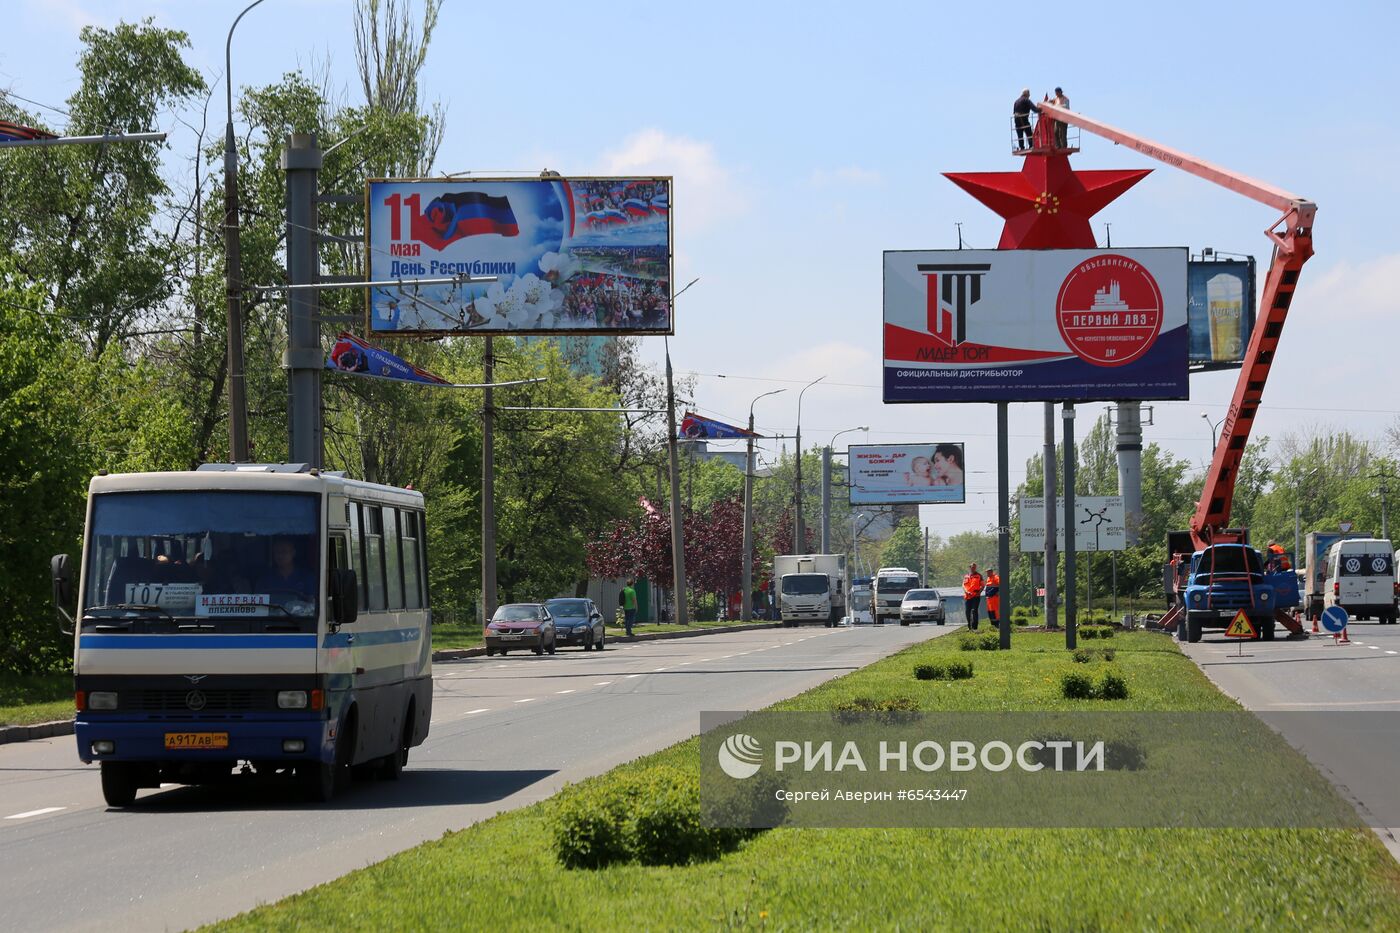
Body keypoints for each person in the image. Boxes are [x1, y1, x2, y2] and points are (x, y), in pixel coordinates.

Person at [962, 563, 985, 630]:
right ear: (970, 567)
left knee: (974, 611)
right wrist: (966, 591)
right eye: (972, 567)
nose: (973, 568)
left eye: (974, 567)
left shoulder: (979, 575)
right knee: (967, 611)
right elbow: (963, 585)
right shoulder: (966, 576)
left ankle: (975, 627)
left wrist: (979, 592)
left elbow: (983, 585)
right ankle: (969, 626)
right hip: (967, 596)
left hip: (975, 596)